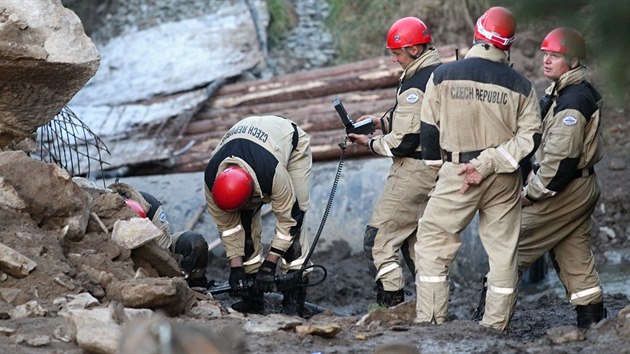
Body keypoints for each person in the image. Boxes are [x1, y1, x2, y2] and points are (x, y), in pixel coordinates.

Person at [414, 6, 542, 331]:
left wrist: (435, 170)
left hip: (457, 174)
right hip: (503, 177)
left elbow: (428, 129)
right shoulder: (522, 86)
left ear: (477, 34)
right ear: (507, 45)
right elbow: (531, 138)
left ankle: (431, 320)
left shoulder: (442, 75)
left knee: (432, 242)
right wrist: (495, 162)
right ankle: (496, 326)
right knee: (503, 254)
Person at [348, 17, 441, 308]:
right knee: (415, 244)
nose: (394, 58)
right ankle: (431, 310)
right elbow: (418, 120)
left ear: (414, 49)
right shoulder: (435, 73)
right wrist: (378, 122)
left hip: (413, 170)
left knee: (378, 239)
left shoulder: (415, 84)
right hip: (434, 168)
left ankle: (391, 306)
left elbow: (405, 141)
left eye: (397, 52)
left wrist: (371, 143)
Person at [518, 27, 606, 329]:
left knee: (509, 242)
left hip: (566, 188)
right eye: (545, 54)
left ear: (573, 60)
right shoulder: (563, 91)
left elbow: (561, 161)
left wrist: (531, 193)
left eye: (554, 56)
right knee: (573, 254)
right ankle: (594, 324)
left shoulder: (573, 100)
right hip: (579, 184)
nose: (546, 60)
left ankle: (490, 323)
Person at [204, 115, 312, 316]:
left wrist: (270, 265)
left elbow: (290, 221)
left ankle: (294, 302)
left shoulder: (271, 174)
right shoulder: (212, 181)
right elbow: (229, 229)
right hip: (251, 146)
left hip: (289, 143)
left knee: (295, 229)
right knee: (244, 230)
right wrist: (236, 267)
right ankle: (252, 300)